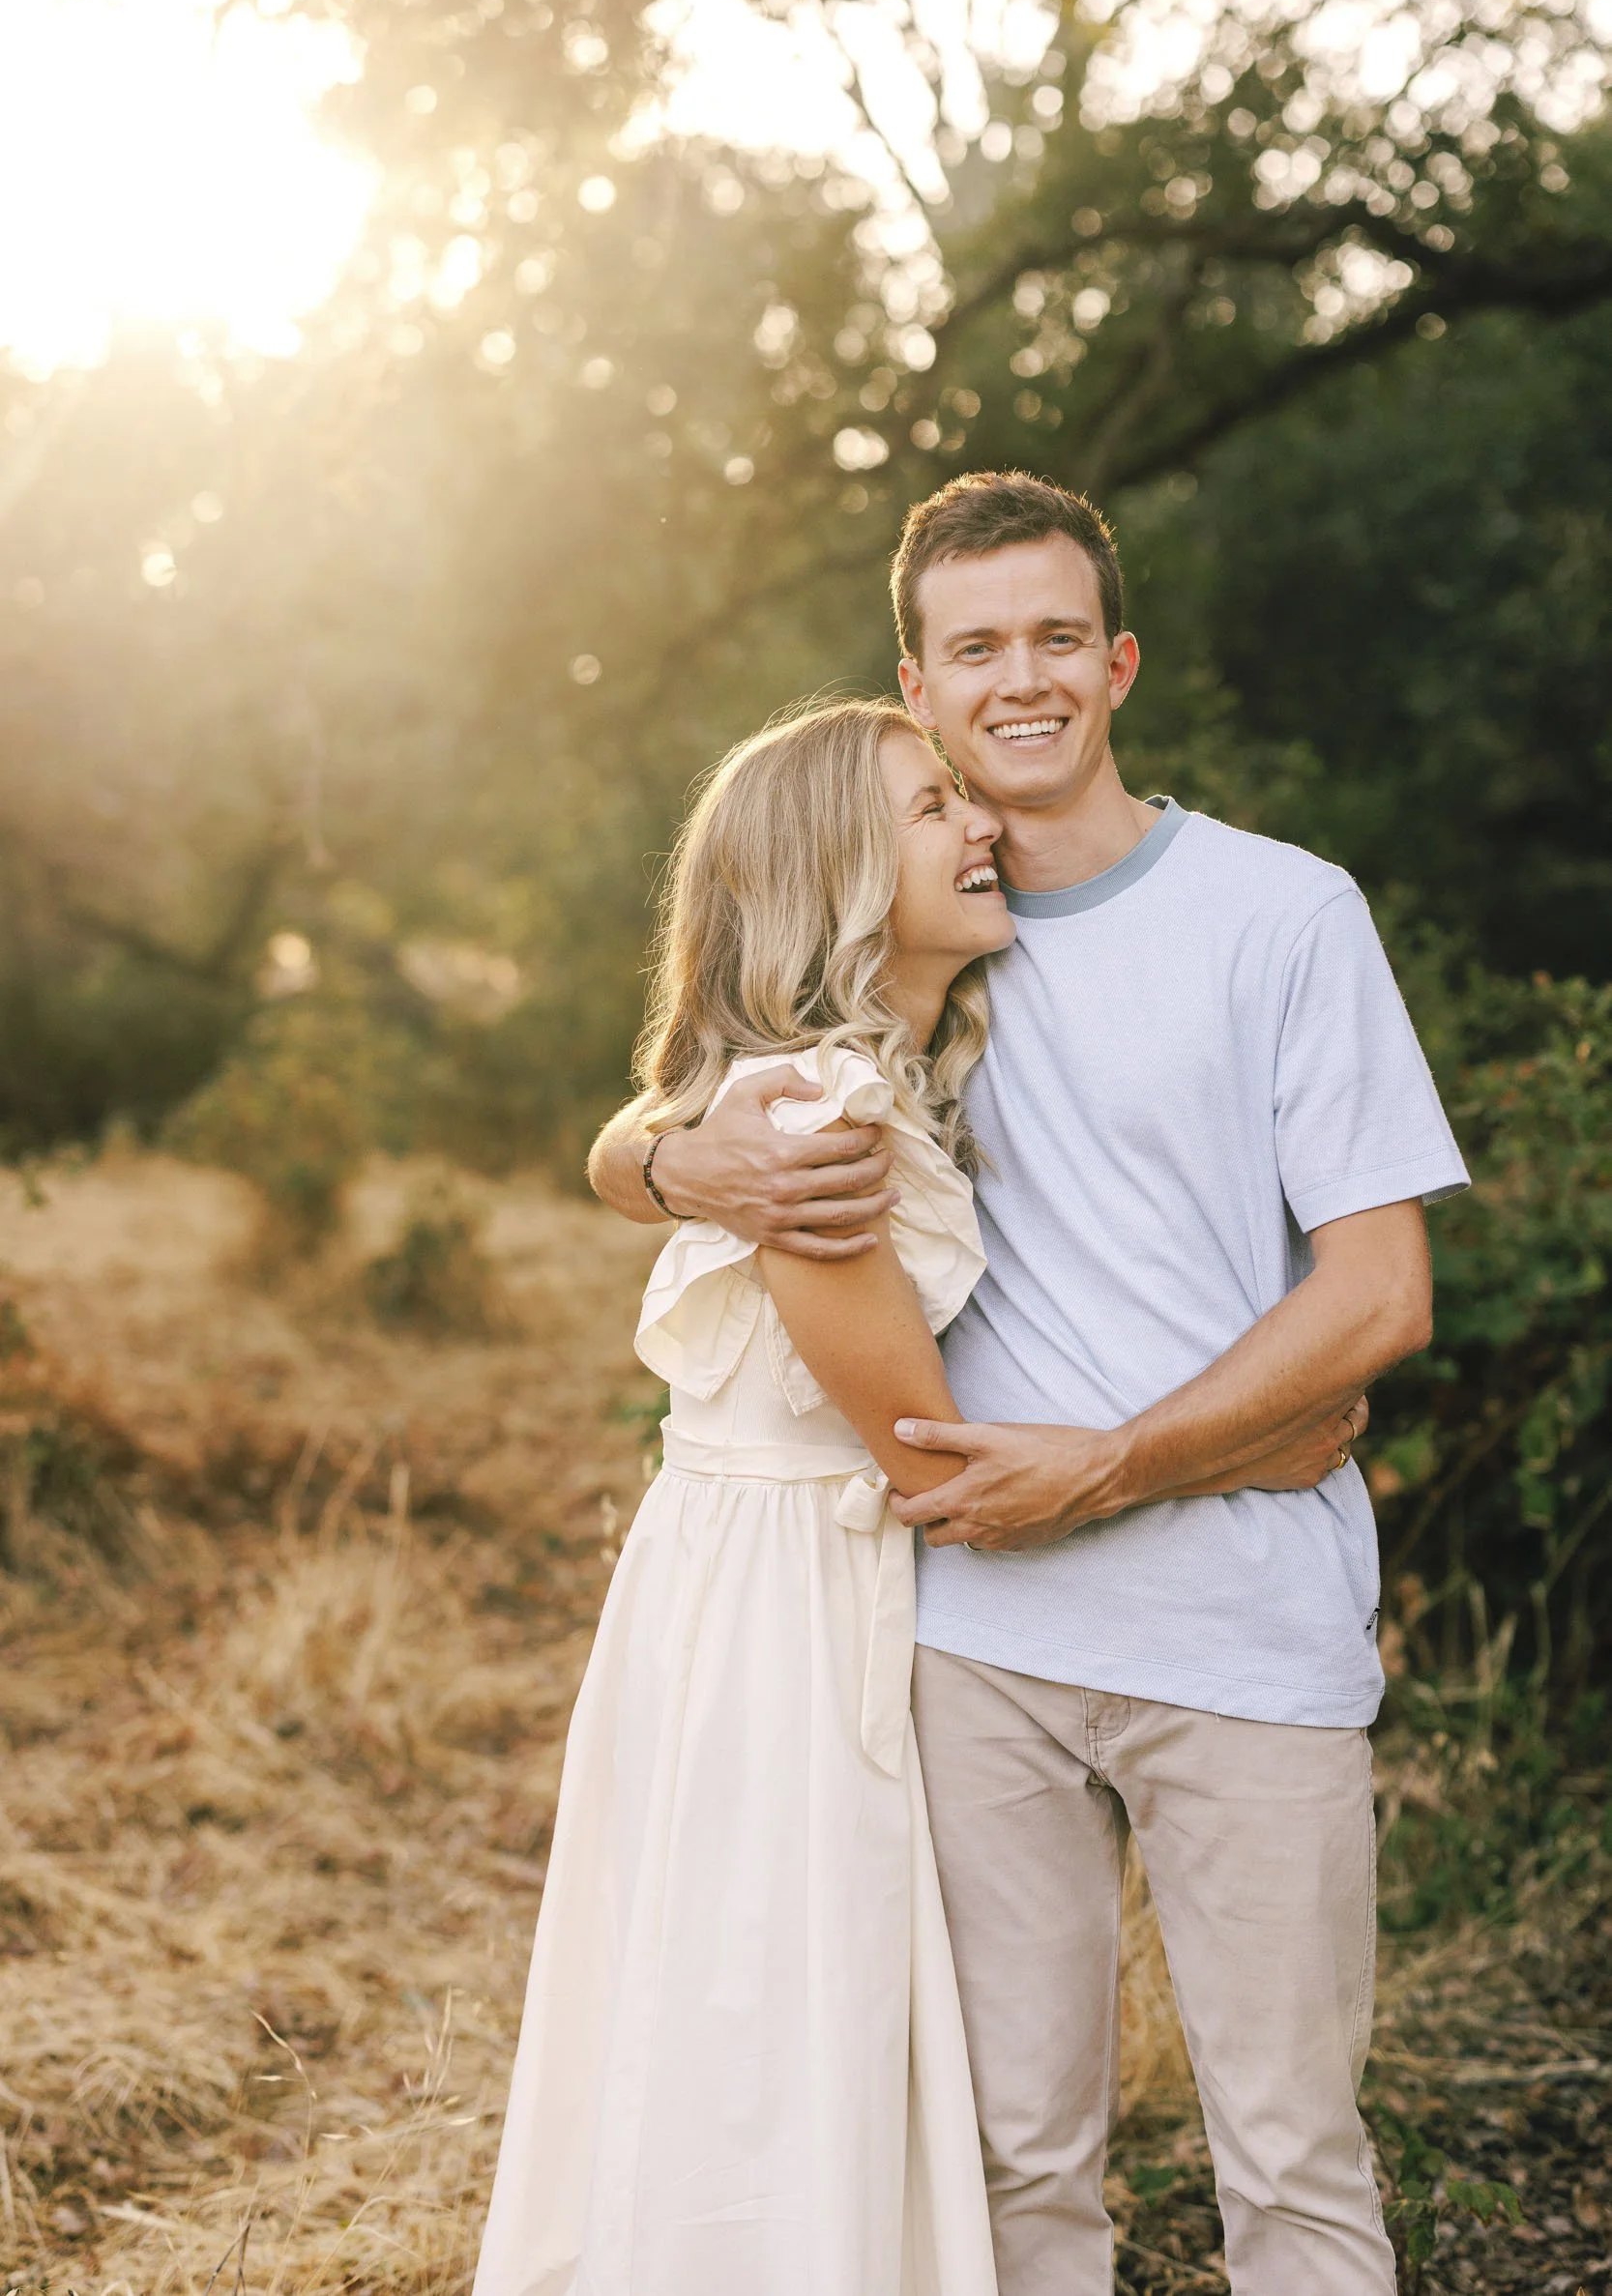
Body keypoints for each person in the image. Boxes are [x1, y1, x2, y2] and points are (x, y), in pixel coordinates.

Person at [589, 472, 1470, 2296]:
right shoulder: (913, 940)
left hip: (1242, 1631)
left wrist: (1131, 1462)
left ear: (1118, 660)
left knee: (1294, 2161)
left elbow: (1379, 1295)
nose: (1022, 681)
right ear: (913, 686)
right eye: (974, 647)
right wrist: (660, 1165)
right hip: (972, 1646)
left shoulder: (1281, 915)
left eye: (1057, 637)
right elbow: (705, 1096)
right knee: (1011, 2166)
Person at [476, 697, 1018, 2296]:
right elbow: (926, 1444)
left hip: (743, 1575)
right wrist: (1234, 1445)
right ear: (838, 872)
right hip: (788, 1606)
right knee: (773, 2008)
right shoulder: (817, 1119)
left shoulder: (861, 1079)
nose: (978, 824)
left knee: (739, 1995)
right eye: (933, 809)